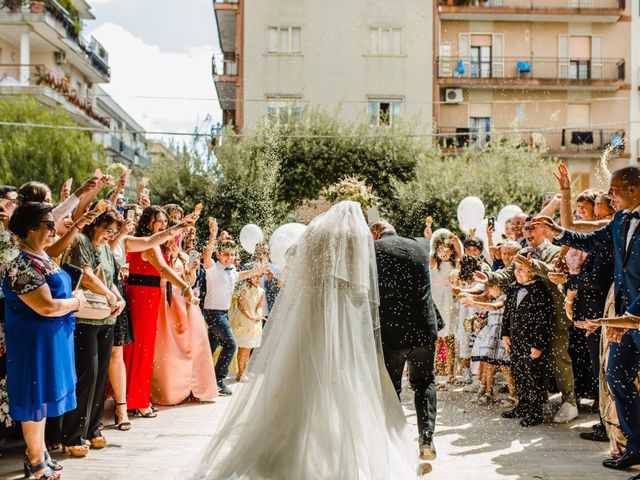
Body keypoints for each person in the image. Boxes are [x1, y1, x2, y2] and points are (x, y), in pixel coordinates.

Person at [193, 202, 417, 479]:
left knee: (299, 375)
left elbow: (296, 264)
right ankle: (336, 449)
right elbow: (360, 289)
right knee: (340, 378)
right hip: (341, 316)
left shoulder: (314, 232)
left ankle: (292, 443)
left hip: (309, 313)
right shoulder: (355, 238)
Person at [533, 165, 640, 472]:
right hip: (623, 316)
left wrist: (629, 318)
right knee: (616, 376)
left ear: (632, 189)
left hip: (635, 316)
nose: (610, 196)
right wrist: (559, 233)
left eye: (614, 191)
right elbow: (593, 241)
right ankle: (634, 446)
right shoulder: (621, 218)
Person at [3, 202, 87, 480]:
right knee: (33, 398)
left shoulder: (41, 256)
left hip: (52, 338)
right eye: (48, 225)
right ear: (29, 227)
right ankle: (35, 456)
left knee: (43, 399)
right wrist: (76, 302)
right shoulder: (20, 263)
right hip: (32, 343)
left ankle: (38, 451)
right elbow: (46, 307)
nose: (54, 229)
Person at [475, 217, 578, 424]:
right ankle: (529, 403)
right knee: (525, 365)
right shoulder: (522, 251)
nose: (528, 233)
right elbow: (509, 272)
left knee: (559, 358)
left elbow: (554, 273)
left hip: (555, 315)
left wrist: (533, 265)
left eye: (532, 229)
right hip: (526, 323)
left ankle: (570, 401)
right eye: (526, 230)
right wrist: (490, 278)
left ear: (544, 231)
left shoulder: (556, 251)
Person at [370, 219, 440, 461]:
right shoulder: (422, 244)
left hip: (392, 332)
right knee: (424, 382)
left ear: (375, 233)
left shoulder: (373, 250)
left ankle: (393, 442)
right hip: (423, 329)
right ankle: (427, 439)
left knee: (391, 388)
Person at [123, 206, 196, 417]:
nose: (163, 225)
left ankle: (131, 398)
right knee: (142, 349)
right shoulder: (150, 243)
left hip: (146, 294)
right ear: (148, 222)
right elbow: (164, 270)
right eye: (159, 221)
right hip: (143, 296)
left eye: (165, 222)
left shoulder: (150, 241)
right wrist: (185, 286)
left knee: (139, 348)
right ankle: (138, 401)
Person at [150, 225, 217, 405]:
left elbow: (190, 282)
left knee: (192, 344)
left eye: (178, 239)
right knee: (167, 347)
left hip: (183, 303)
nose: (175, 242)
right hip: (164, 304)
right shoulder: (160, 255)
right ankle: (169, 390)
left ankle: (191, 388)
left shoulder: (183, 256)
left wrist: (192, 271)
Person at [201, 219, 266, 396]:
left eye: (232, 255)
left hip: (222, 313)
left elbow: (242, 274)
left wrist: (258, 269)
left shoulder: (231, 271)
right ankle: (218, 381)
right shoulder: (213, 269)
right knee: (230, 345)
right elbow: (206, 256)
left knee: (209, 347)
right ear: (219, 255)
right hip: (214, 313)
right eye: (226, 255)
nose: (230, 258)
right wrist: (213, 235)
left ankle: (202, 378)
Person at [501, 264, 554, 427]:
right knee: (519, 373)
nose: (517, 272)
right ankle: (522, 405)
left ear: (532, 272)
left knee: (534, 376)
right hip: (515, 340)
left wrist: (538, 344)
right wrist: (505, 334)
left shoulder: (540, 291)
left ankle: (535, 411)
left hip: (532, 342)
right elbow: (507, 313)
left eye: (521, 269)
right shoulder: (513, 288)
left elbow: (543, 320)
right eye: (515, 269)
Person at [430, 234, 460, 384]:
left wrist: (457, 244)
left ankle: (450, 374)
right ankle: (435, 372)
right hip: (436, 300)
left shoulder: (455, 265)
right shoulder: (433, 262)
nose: (444, 252)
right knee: (435, 339)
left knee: (449, 338)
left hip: (449, 302)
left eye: (447, 249)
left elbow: (462, 259)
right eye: (441, 249)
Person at [228, 267, 266, 381]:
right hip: (244, 320)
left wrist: (258, 315)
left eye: (260, 276)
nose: (258, 279)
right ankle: (240, 373)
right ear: (250, 275)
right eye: (256, 276)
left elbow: (259, 305)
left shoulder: (261, 291)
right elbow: (242, 305)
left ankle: (245, 370)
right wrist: (251, 316)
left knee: (249, 347)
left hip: (254, 321)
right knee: (243, 347)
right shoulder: (243, 289)